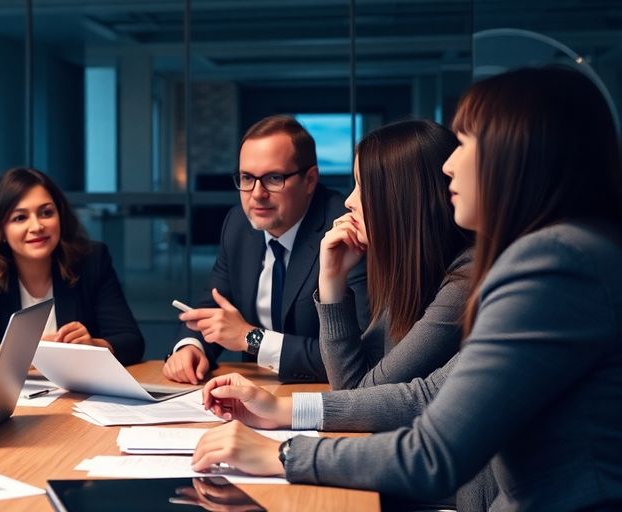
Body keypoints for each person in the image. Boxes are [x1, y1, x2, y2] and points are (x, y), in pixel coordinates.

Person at [191, 66, 622, 511]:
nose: (449, 165)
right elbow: (427, 395)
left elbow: (435, 452)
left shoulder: (553, 265)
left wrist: (280, 454)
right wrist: (282, 409)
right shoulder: (561, 255)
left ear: (522, 154)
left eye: (466, 143)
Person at [164, 115, 370, 385]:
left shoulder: (346, 230)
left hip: (322, 397)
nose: (257, 194)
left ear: (310, 180)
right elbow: (214, 304)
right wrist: (191, 347)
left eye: (274, 178)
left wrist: (250, 339)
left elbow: (361, 354)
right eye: (247, 178)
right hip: (254, 392)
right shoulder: (238, 224)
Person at [316, 119, 471, 391]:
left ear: (403, 199)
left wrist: (331, 281)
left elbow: (358, 393)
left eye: (363, 187)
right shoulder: (415, 266)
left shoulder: (464, 280)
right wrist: (333, 279)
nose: (349, 201)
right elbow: (352, 388)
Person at [0, 167, 145, 376]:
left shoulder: (91, 261)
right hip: (15, 400)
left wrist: (93, 345)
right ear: (1, 230)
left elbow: (131, 341)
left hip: (79, 395)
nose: (37, 226)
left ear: (60, 217)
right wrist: (28, 350)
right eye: (20, 218)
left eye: (46, 213)